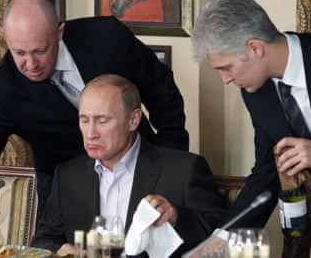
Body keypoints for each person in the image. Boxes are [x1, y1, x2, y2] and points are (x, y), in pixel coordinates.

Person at [0, 0, 189, 224]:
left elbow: (162, 92)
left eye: (40, 50)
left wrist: (169, 164)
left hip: (141, 178)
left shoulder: (106, 37)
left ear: (59, 32)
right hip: (66, 201)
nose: (31, 64)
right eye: (19, 53)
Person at [190, 0, 311, 257]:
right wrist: (221, 239)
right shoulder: (255, 92)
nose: (225, 79)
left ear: (255, 48)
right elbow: (266, 173)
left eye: (226, 67)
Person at [30, 74, 228, 257]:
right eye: (84, 120)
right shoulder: (68, 175)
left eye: (102, 120)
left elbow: (224, 232)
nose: (91, 133)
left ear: (133, 120)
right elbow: (44, 240)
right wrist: (68, 251)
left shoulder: (184, 170)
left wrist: (176, 216)